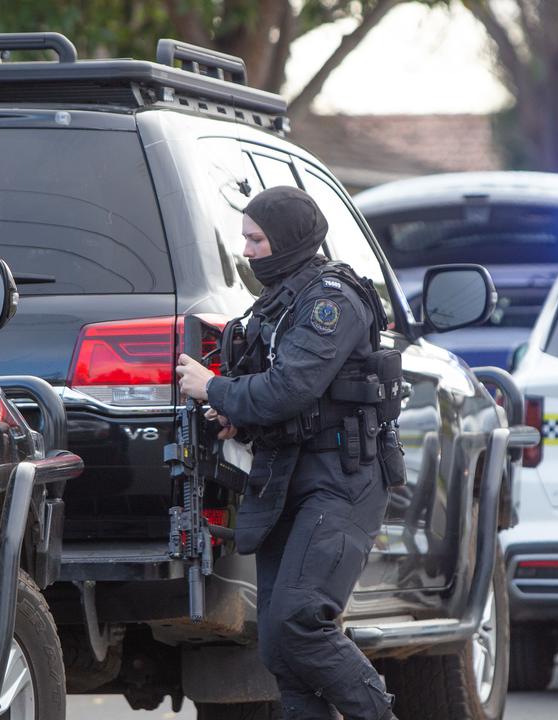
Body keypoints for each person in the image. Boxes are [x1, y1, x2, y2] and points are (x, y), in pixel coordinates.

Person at [176, 186, 397, 720]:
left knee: (301, 623)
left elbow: (290, 387)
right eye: (245, 239)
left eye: (256, 239)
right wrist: (236, 414)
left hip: (341, 479)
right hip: (286, 479)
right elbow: (285, 395)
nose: (247, 251)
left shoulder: (330, 300)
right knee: (279, 644)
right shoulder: (278, 301)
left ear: (290, 239)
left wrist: (214, 389)